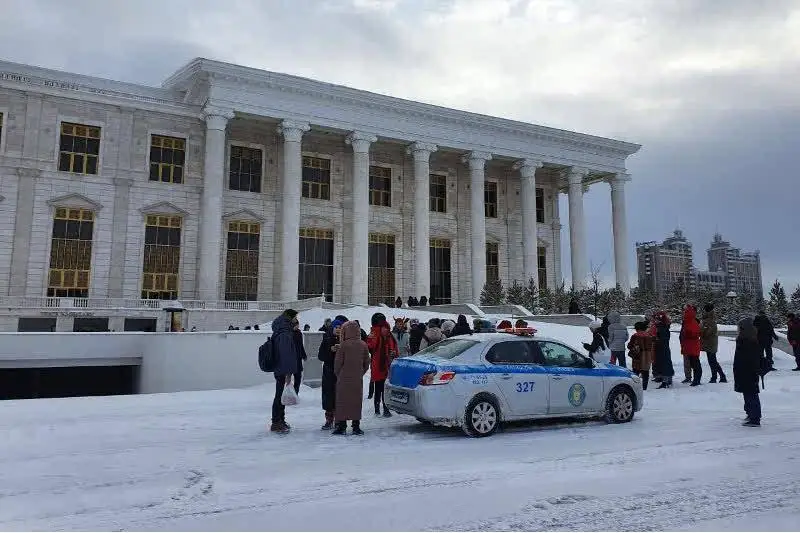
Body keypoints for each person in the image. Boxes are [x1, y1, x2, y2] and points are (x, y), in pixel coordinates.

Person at [333, 321, 372, 435]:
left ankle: (342, 426)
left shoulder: (343, 345)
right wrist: (360, 373)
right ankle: (356, 426)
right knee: (356, 402)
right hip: (357, 379)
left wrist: (339, 374)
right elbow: (367, 362)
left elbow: (337, 364)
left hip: (343, 379)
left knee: (342, 402)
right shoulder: (363, 344)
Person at [270, 309, 300, 434]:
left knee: (280, 395)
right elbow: (286, 354)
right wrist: (288, 374)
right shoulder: (284, 333)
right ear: (290, 318)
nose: (296, 320)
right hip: (282, 369)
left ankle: (280, 420)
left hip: (280, 368)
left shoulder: (282, 330)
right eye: (295, 318)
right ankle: (276, 421)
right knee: (279, 395)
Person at [733, 317, 763, 427]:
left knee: (751, 394)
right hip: (744, 371)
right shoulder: (744, 340)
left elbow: (751, 359)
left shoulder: (749, 341)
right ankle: (751, 414)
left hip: (748, 372)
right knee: (748, 394)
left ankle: (755, 417)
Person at [367, 313, 398, 417]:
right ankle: (384, 409)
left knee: (379, 388)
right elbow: (394, 347)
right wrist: (393, 354)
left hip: (378, 364)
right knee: (384, 388)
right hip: (386, 364)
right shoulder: (388, 333)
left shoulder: (375, 332)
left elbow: (370, 346)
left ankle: (378, 409)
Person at [318, 318, 344, 430]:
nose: (338, 329)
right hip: (328, 371)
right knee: (329, 396)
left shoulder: (344, 340)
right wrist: (331, 350)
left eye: (340, 328)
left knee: (339, 396)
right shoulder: (326, 339)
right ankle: (329, 419)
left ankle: (338, 419)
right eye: (336, 327)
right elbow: (320, 356)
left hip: (340, 372)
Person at [700, 303, 727, 383]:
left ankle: (719, 376)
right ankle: (716, 377)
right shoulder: (708, 318)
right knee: (712, 360)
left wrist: (701, 331)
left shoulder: (710, 319)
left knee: (712, 361)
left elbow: (708, 332)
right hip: (709, 342)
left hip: (710, 342)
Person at [627, 321, 655, 390]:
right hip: (647, 355)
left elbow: (630, 345)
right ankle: (644, 387)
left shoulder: (635, 335)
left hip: (638, 355)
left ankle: (635, 387)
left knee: (636, 371)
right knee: (645, 372)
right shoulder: (649, 336)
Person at [680, 305, 703, 386]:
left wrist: (686, 335)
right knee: (693, 362)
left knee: (695, 363)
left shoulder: (692, 322)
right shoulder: (689, 321)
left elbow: (694, 333)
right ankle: (694, 379)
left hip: (691, 345)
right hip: (689, 345)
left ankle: (696, 380)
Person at [653, 311, 675, 389]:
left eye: (656, 319)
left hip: (662, 348)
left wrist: (655, 339)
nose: (655, 321)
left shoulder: (661, 327)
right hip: (662, 348)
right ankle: (667, 379)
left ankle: (665, 381)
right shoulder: (661, 326)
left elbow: (662, 339)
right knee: (665, 363)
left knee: (665, 364)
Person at [291, 317, 307, 395]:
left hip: (298, 359)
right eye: (296, 325)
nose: (297, 326)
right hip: (290, 359)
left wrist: (304, 355)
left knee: (298, 378)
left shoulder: (299, 333)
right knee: (288, 378)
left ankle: (295, 394)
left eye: (298, 325)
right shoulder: (288, 334)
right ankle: (288, 394)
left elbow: (301, 346)